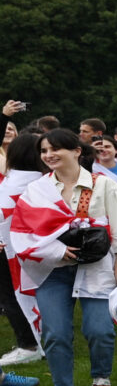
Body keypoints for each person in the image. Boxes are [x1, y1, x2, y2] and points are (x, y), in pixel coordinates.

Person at [10, 128, 117, 386]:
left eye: (56, 149)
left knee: (100, 331)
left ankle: (101, 382)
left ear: (77, 151)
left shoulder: (104, 186)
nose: (49, 155)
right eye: (43, 151)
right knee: (55, 332)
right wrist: (54, 251)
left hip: (96, 268)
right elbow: (24, 233)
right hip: (52, 270)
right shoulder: (36, 190)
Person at [0, 129, 45, 372]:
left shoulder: (13, 182)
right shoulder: (43, 179)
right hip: (37, 249)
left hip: (10, 250)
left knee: (13, 297)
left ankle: (28, 345)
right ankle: (41, 340)